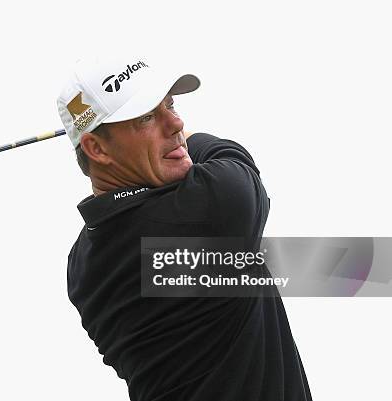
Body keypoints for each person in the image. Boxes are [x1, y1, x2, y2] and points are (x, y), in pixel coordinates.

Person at [56, 57, 312, 401]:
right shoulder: (210, 210)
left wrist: (153, 137)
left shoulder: (83, 265)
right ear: (97, 149)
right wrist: (179, 143)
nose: (176, 122)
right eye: (147, 116)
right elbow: (230, 161)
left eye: (170, 105)